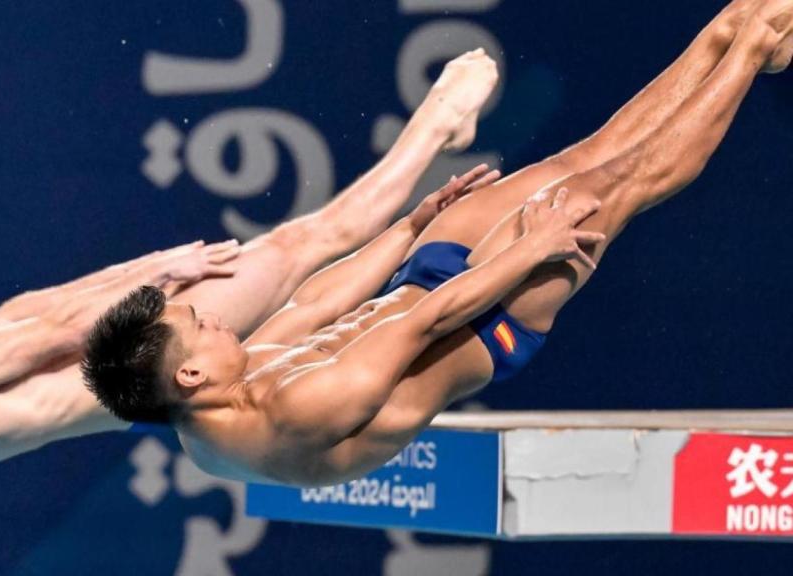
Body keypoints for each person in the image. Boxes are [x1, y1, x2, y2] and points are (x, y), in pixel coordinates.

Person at [82, 0, 793, 485]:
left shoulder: (221, 390)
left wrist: (412, 228)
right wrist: (534, 244)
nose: (214, 316)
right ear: (190, 377)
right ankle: (756, 49)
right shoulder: (299, 412)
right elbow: (431, 322)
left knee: (580, 158)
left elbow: (314, 303)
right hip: (485, 325)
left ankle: (726, 32)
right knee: (609, 187)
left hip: (420, 289)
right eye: (198, 326)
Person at [0, 51, 499, 462]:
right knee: (302, 243)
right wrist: (156, 285)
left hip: (140, 393)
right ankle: (440, 119)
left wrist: (145, 269)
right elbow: (65, 333)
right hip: (140, 368)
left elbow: (33, 312)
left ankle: (416, 222)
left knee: (306, 295)